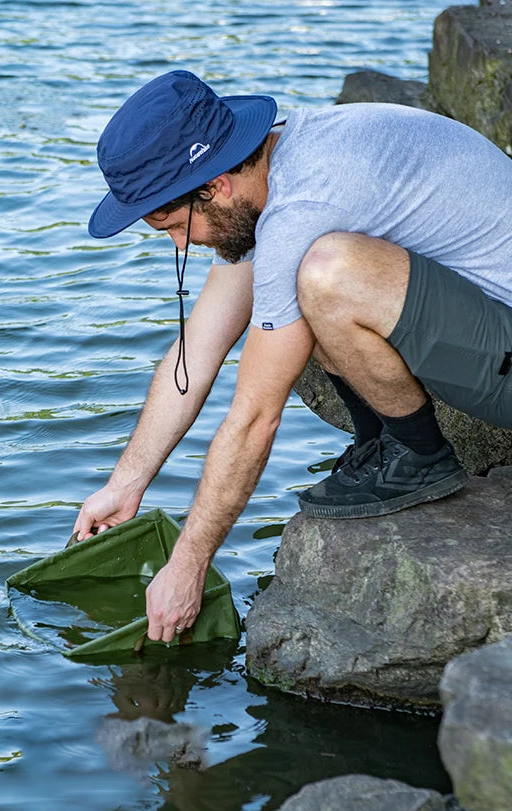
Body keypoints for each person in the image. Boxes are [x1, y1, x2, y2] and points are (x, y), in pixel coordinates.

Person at [73, 69, 512, 644]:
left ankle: (417, 458)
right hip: (491, 326)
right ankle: (382, 445)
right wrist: (126, 485)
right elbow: (196, 350)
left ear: (216, 185)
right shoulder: (275, 169)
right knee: (287, 302)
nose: (180, 245)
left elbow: (255, 417)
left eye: (173, 225)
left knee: (328, 275)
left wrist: (188, 564)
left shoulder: (301, 208)